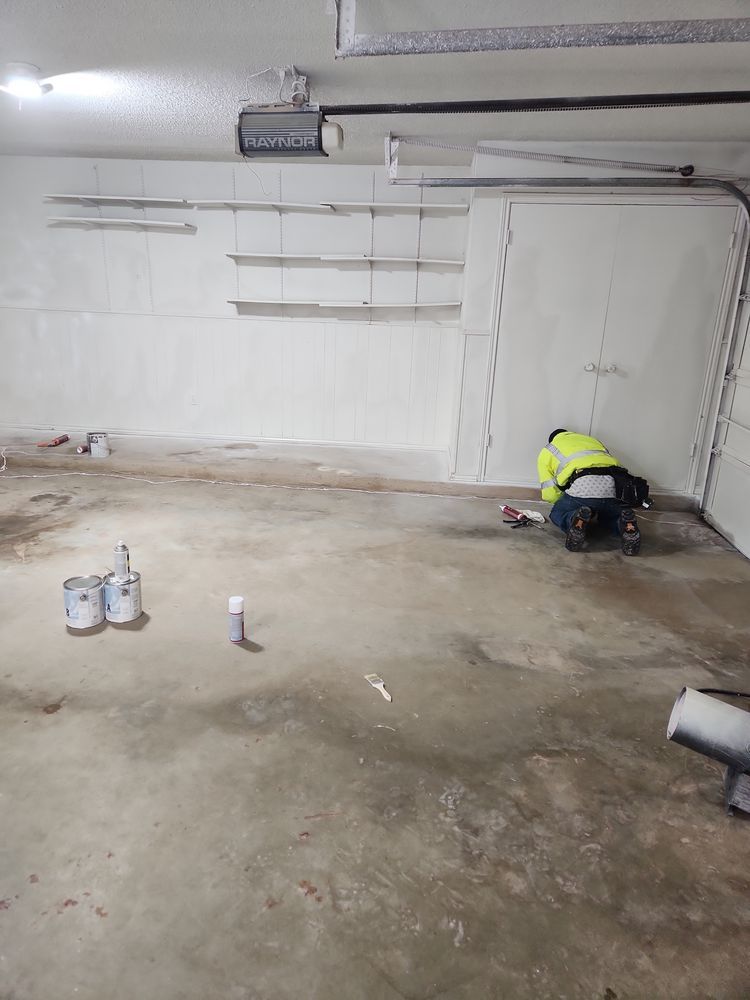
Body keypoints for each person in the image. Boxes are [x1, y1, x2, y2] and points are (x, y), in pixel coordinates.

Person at [537, 429, 641, 555]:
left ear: (553, 439)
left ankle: (574, 519)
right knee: (608, 516)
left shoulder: (549, 449)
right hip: (615, 487)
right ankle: (625, 524)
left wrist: (565, 504)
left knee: (557, 513)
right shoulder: (592, 440)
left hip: (584, 486)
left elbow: (549, 493)